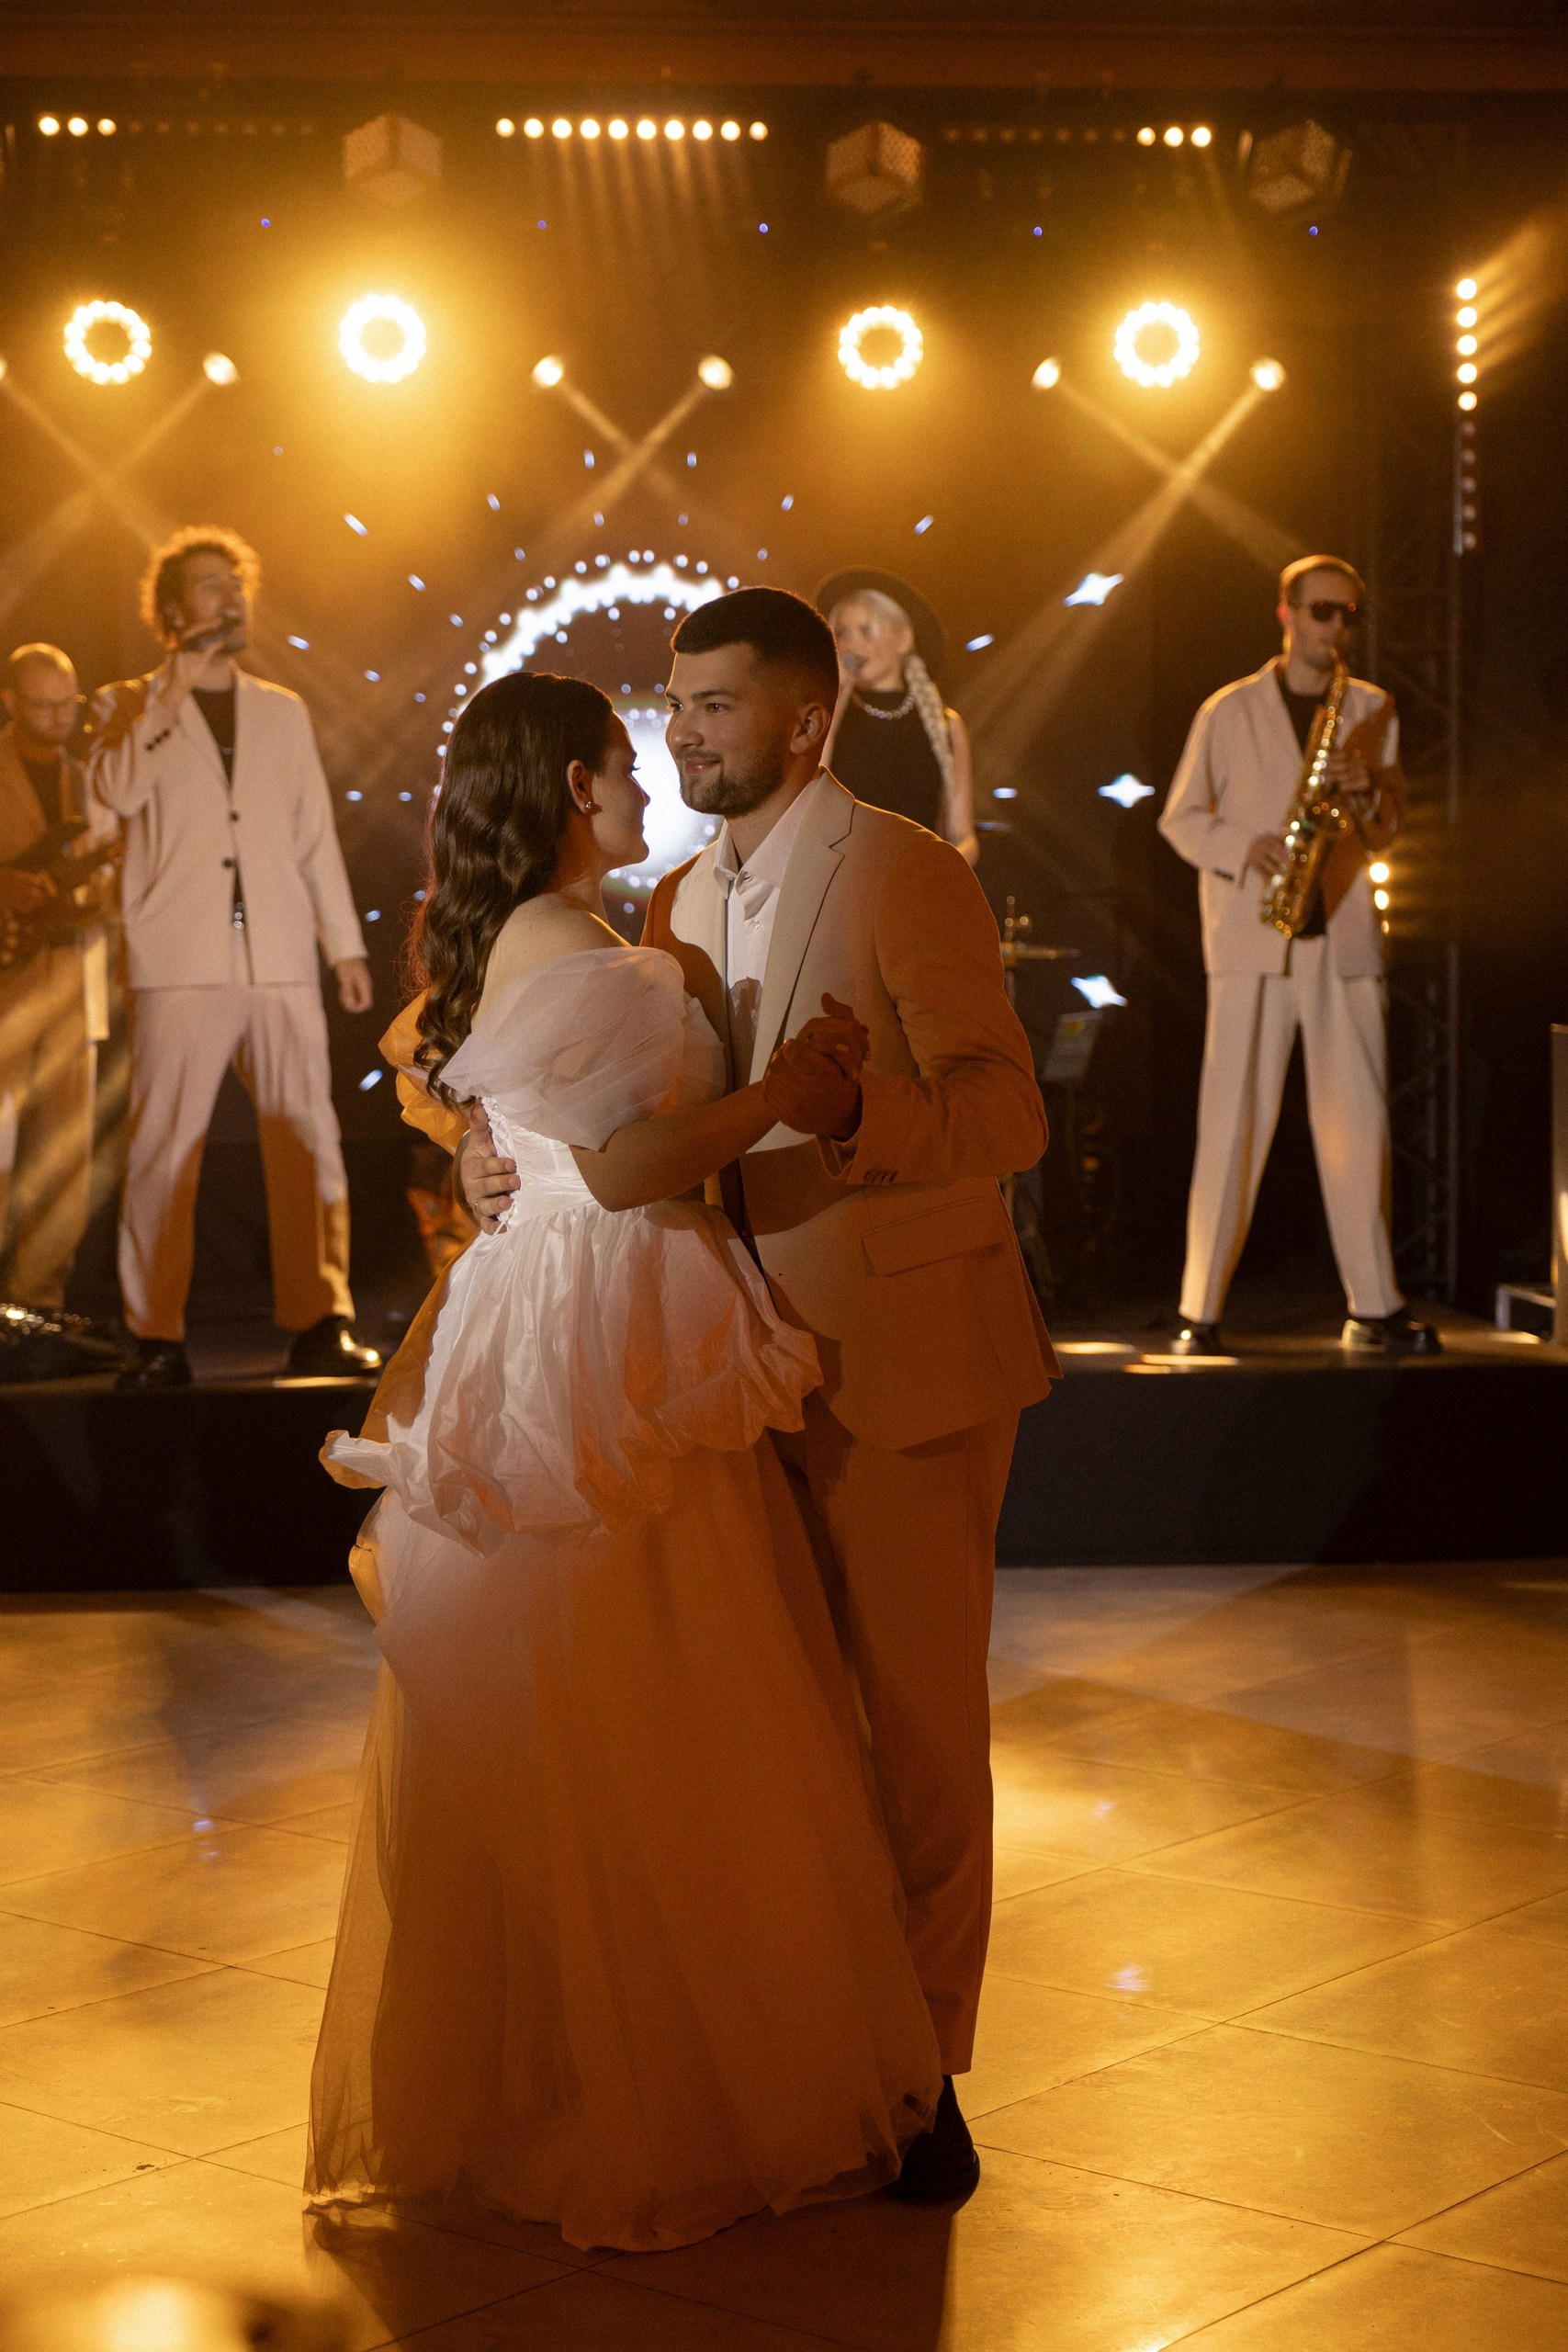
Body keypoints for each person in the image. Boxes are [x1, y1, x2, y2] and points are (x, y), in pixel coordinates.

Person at [309, 670, 943, 2254]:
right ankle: (669, 2085)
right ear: (572, 786)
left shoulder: (544, 929)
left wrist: (479, 1143)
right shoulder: (568, 937)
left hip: (566, 1306)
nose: (649, 773)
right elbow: (614, 1168)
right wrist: (780, 1097)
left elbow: (471, 1084)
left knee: (596, 1684)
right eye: (622, 756)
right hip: (605, 1317)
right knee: (651, 1678)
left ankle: (576, 2065)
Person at [459, 588, 1058, 2199]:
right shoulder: (666, 901)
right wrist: (483, 1150)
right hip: (722, 1374)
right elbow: (604, 1097)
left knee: (916, 1740)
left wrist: (859, 1114)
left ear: (805, 720)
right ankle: (824, 2052)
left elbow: (1005, 1116)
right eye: (674, 705)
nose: (684, 732)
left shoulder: (904, 870)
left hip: (900, 1363)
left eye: (714, 705)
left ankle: (925, 2075)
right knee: (783, 1744)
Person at [87, 527, 380, 1388]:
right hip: (177, 958)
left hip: (280, 953)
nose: (231, 597)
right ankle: (155, 1334)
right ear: (174, 610)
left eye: (236, 583)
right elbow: (112, 797)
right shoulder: (126, 705)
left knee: (307, 1136)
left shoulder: (283, 710)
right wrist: (171, 692)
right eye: (212, 585)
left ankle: (321, 1320)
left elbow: (312, 835)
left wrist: (343, 945)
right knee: (164, 1149)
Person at [1158, 554, 1439, 1356]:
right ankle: (1198, 1309)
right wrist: (1241, 846)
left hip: (1340, 938)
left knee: (1359, 1126)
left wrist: (1363, 790)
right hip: (1254, 935)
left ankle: (1373, 1305)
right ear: (1284, 614)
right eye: (1321, 611)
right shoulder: (1228, 709)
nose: (1335, 628)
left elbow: (1387, 830)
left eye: (1348, 614)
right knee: (1230, 1123)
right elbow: (1179, 818)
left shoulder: (1373, 708)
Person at [0, 644, 117, 1319]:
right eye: (41, 706)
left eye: (65, 705)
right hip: (7, 977)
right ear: (10, 702)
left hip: (72, 973)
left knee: (64, 1152)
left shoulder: (88, 780)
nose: (56, 718)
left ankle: (38, 1305)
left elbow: (109, 882)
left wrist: (94, 892)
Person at [818, 569, 979, 861]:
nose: (852, 645)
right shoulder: (827, 714)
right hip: (843, 874)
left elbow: (964, 836)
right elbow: (806, 796)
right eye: (842, 633)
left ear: (903, 639)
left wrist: (939, 871)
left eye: (866, 631)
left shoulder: (945, 724)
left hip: (917, 877)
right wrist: (836, 696)